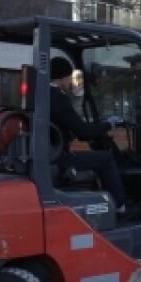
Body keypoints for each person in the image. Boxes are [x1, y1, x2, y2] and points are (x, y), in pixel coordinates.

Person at [49, 56, 127, 213]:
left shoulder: (40, 95)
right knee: (106, 158)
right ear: (63, 77)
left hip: (51, 152)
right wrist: (109, 123)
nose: (70, 81)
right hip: (60, 158)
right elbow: (84, 133)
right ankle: (120, 206)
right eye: (70, 77)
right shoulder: (59, 98)